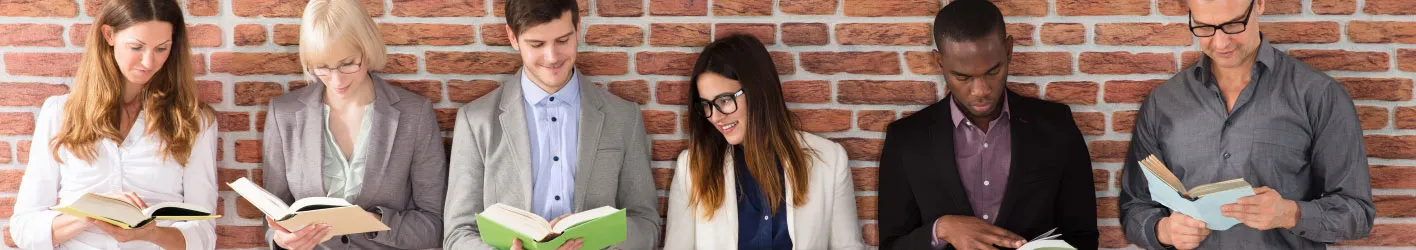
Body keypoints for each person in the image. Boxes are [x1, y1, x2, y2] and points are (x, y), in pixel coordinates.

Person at [1117, 0, 1375, 249]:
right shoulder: (1162, 102)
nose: (1220, 43)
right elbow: (1134, 207)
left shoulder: (1319, 95)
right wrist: (1164, 231)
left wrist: (1290, 213)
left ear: (1259, 4)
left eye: (1233, 25)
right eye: (1204, 28)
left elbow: (1357, 213)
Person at [876, 0, 1100, 249]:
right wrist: (942, 229)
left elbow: (1083, 236)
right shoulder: (906, 140)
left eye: (993, 72)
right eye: (963, 77)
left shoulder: (1056, 126)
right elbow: (892, 245)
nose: (981, 91)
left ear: (1009, 50)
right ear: (939, 63)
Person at [442, 0, 661, 249]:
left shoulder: (624, 117)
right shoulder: (475, 121)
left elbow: (646, 224)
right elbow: (457, 234)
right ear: (512, 37)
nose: (552, 57)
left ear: (578, 29)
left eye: (563, 40)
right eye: (537, 44)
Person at [7, 0, 218, 249]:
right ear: (109, 35)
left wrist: (151, 235)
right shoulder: (59, 113)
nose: (149, 62)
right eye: (136, 47)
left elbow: (204, 234)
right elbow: (24, 229)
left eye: (162, 48)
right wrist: (91, 212)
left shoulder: (194, 120)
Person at [258, 0, 448, 249]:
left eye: (348, 63)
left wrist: (374, 222)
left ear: (367, 48)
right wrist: (281, 239)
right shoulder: (284, 115)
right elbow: (273, 219)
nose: (336, 81)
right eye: (322, 67)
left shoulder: (414, 115)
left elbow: (434, 225)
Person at [662, 34, 866, 250]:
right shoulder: (691, 168)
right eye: (706, 104)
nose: (715, 116)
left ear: (757, 91)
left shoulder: (829, 160)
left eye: (724, 100)